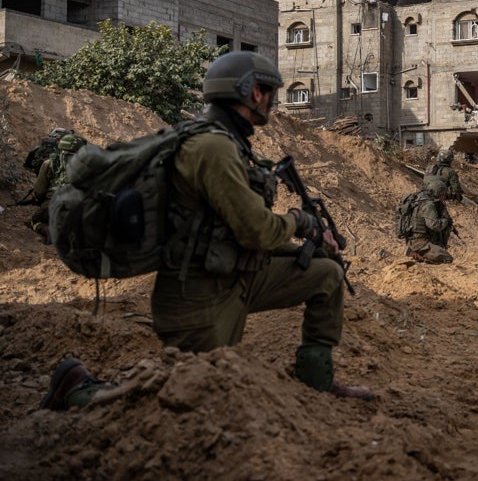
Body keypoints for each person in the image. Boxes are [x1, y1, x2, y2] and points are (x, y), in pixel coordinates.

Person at [41, 51, 372, 411]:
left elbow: (233, 229)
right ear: (252, 93)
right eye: (268, 91)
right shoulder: (212, 147)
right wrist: (300, 221)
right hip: (197, 297)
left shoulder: (227, 141)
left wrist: (309, 245)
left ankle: (316, 381)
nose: (271, 101)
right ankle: (82, 391)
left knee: (326, 274)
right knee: (188, 397)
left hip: (233, 277)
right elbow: (257, 231)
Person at [29, 132, 86, 241]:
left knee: (34, 221)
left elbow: (39, 191)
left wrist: (40, 201)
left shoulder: (49, 163)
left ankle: (47, 230)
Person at [407, 176, 455, 264]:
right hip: (421, 242)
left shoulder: (420, 200)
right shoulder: (429, 205)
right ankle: (416, 255)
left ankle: (417, 254)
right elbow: (434, 225)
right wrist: (446, 221)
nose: (443, 197)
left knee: (441, 253)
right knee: (447, 258)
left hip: (416, 240)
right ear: (438, 193)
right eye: (442, 194)